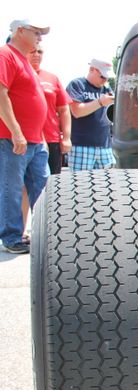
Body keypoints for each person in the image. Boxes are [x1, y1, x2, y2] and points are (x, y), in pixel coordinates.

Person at [0, 19, 50, 254]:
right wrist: (16, 131)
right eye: (36, 32)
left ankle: (44, 234)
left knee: (43, 187)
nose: (40, 37)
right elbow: (1, 94)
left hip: (35, 141)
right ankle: (11, 237)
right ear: (20, 31)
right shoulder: (6, 55)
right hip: (13, 140)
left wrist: (39, 137)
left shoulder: (24, 60)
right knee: (11, 189)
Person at [28, 46, 71, 174]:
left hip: (52, 139)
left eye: (40, 51)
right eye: (32, 51)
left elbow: (64, 110)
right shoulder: (16, 75)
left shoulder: (52, 78)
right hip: (26, 139)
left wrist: (66, 138)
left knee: (53, 180)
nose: (36, 54)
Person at [67, 59, 115, 170]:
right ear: (92, 69)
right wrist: (100, 102)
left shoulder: (107, 89)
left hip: (105, 146)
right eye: (102, 76)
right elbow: (77, 111)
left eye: (107, 77)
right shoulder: (77, 85)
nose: (105, 80)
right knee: (80, 180)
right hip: (81, 146)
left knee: (109, 180)